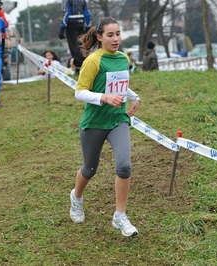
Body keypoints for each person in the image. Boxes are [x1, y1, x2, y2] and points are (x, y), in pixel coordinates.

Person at [70, 16, 141, 237]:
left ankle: (120, 216)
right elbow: (79, 92)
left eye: (118, 34)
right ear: (100, 37)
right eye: (110, 35)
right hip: (94, 123)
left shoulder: (122, 59)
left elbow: (121, 84)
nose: (115, 38)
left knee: (124, 166)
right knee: (90, 169)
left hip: (117, 120)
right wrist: (104, 97)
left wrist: (134, 96)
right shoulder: (93, 60)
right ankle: (76, 198)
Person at [58, 0, 91, 75]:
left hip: (71, 22)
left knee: (74, 45)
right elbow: (86, 11)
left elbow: (65, 12)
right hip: (82, 22)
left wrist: (62, 28)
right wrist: (88, 25)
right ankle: (84, 65)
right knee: (82, 44)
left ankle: (78, 66)